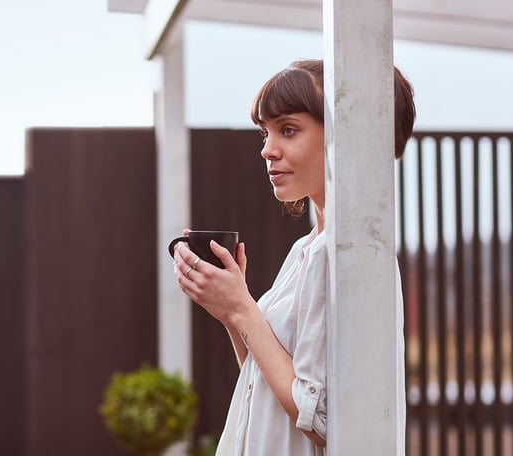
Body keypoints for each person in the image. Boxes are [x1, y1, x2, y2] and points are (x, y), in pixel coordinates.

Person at [172, 59, 416, 455]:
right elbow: (265, 382)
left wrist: (241, 310)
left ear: (346, 135)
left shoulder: (348, 255)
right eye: (265, 133)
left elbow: (324, 421)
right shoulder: (306, 248)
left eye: (288, 130)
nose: (268, 150)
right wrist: (232, 310)